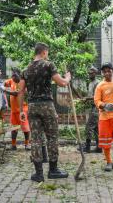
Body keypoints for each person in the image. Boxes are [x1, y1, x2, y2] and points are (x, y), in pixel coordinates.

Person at [18, 42, 71, 182]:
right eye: (47, 52)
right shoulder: (48, 65)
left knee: (35, 139)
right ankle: (53, 170)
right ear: (44, 52)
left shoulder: (26, 70)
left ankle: (38, 174)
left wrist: (20, 110)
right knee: (52, 137)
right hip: (47, 105)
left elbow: (20, 91)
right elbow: (62, 83)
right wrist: (68, 77)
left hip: (32, 106)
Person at [4, 69, 31, 150]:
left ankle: (27, 144)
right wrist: (2, 84)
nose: (13, 77)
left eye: (14, 76)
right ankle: (13, 145)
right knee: (14, 128)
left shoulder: (23, 83)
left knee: (25, 128)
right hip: (14, 110)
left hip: (22, 110)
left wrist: (4, 90)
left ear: (19, 75)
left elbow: (16, 93)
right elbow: (5, 83)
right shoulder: (12, 80)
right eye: (12, 75)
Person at [83, 66, 102, 153]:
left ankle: (87, 147)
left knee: (89, 127)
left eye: (92, 73)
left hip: (96, 108)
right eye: (89, 73)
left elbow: (97, 97)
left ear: (96, 73)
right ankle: (99, 147)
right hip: (92, 107)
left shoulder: (97, 83)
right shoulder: (90, 83)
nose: (90, 74)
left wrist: (87, 99)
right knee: (96, 128)